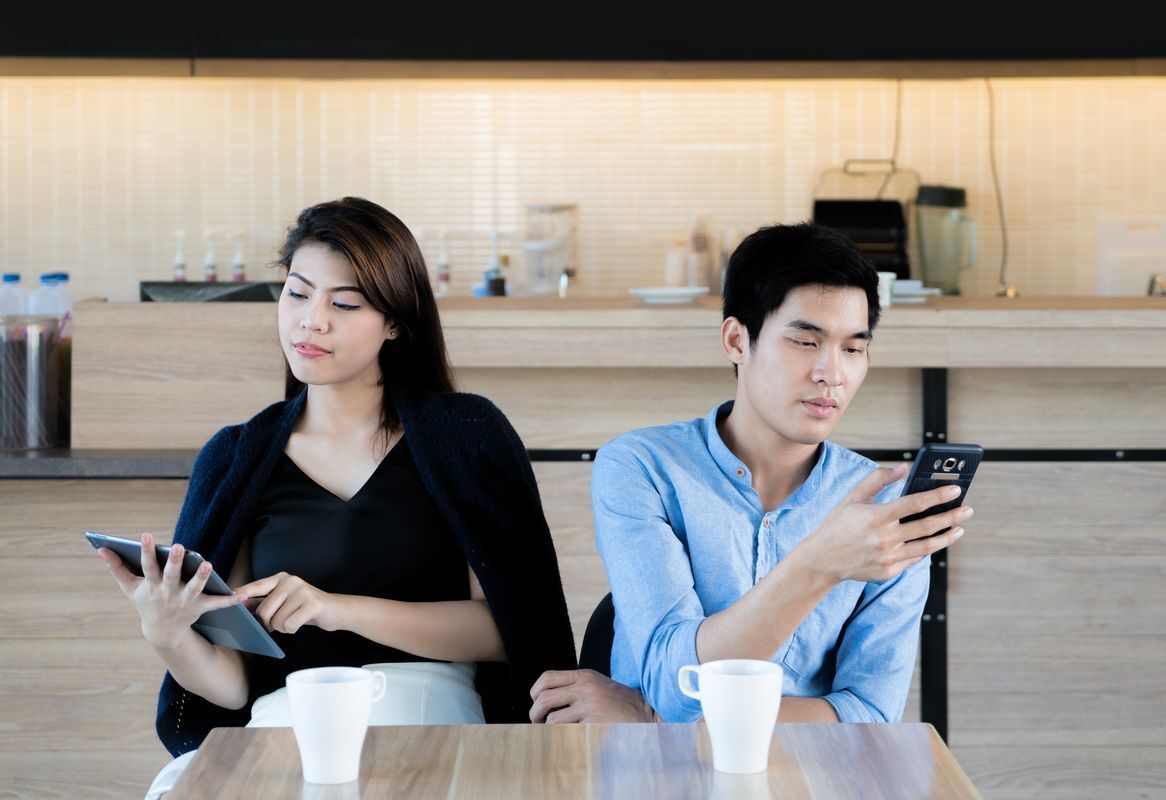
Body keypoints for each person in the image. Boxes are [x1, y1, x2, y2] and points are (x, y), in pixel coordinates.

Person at [93, 197, 577, 797]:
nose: (311, 321)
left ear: (395, 322)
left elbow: (508, 627)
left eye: (344, 304)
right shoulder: (236, 456)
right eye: (298, 293)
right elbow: (233, 685)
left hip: (430, 724)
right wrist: (166, 633)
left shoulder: (467, 436)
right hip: (281, 733)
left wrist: (336, 608)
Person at [529, 222, 969, 724]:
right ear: (737, 340)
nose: (832, 374)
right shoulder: (642, 467)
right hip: (657, 768)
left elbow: (870, 716)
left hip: (811, 768)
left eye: (853, 348)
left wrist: (648, 714)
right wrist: (819, 564)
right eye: (805, 342)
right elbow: (674, 686)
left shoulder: (884, 510)